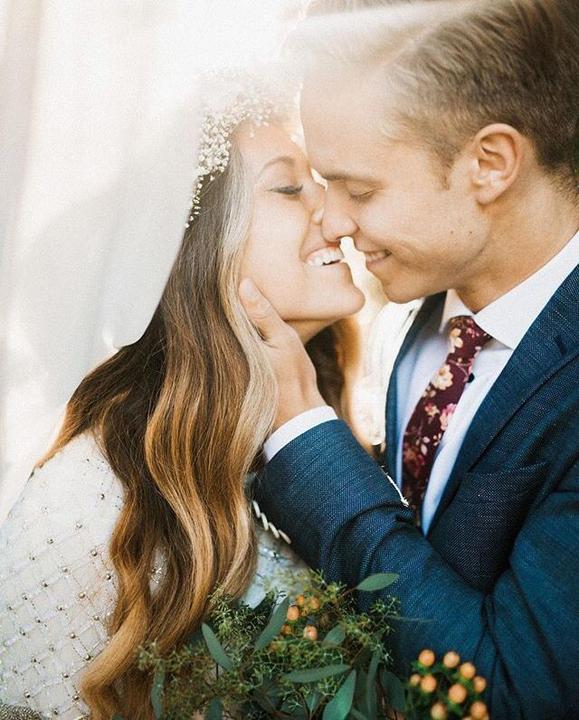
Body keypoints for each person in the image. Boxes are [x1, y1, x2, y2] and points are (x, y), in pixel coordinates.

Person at [240, 1, 579, 717]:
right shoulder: (419, 314)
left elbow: (513, 695)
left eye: (359, 190)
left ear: (489, 163)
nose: (332, 221)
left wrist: (305, 440)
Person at [0, 80, 365, 719]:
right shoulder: (88, 502)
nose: (336, 215)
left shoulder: (321, 425)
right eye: (289, 188)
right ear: (199, 249)